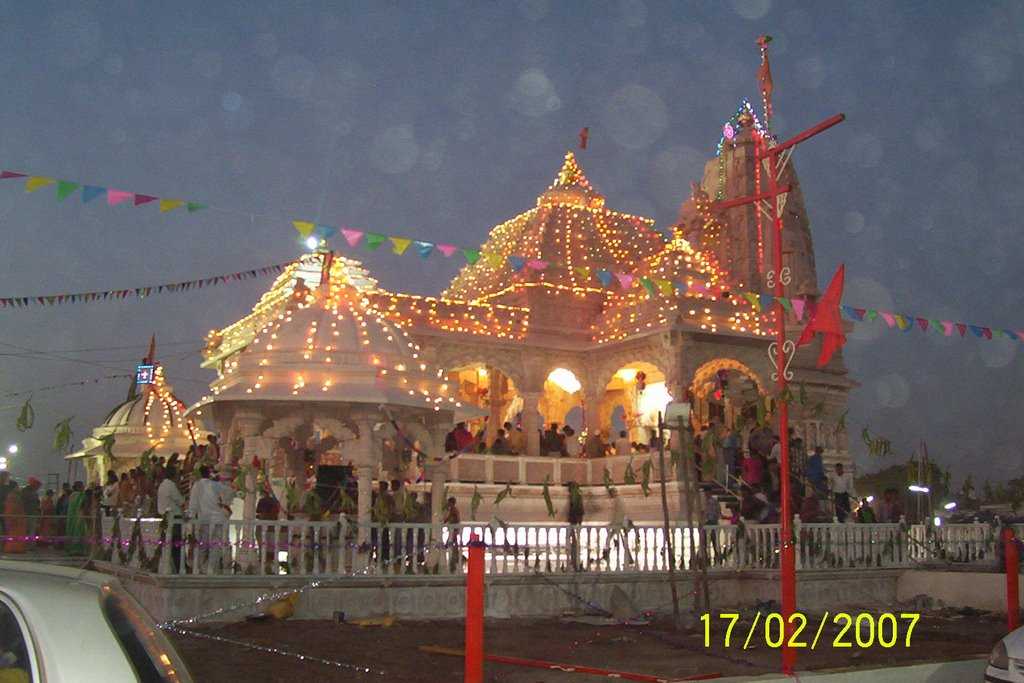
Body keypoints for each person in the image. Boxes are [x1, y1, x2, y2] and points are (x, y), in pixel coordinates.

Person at [188, 465, 233, 573]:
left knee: (203, 545)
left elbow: (193, 504)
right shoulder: (215, 484)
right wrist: (223, 503)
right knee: (215, 545)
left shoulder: (197, 485)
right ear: (209, 473)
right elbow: (230, 492)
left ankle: (200, 567)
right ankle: (211, 568)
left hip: (204, 519)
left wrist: (191, 516)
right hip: (217, 519)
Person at [157, 466, 185, 573]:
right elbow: (180, 500)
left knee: (169, 543)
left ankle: (172, 566)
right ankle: (178, 567)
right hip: (174, 517)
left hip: (165, 516)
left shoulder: (162, 485)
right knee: (176, 544)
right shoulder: (171, 485)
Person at [64, 482, 88, 555]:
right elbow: (83, 506)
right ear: (78, 487)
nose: (83, 488)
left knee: (71, 531)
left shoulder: (72, 495)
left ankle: (70, 548)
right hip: (79, 516)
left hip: (71, 517)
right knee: (79, 532)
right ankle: (78, 550)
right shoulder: (81, 495)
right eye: (82, 486)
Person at [3, 480, 25, 554]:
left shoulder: (14, 496)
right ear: (13, 487)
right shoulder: (13, 496)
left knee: (15, 534)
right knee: (14, 534)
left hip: (17, 518)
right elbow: (11, 508)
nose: (18, 488)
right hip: (15, 519)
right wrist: (12, 517)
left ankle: (16, 548)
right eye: (17, 486)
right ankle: (14, 548)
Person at [566, 481, 584, 571]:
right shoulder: (577, 495)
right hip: (575, 522)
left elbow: (577, 509)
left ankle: (575, 563)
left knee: (574, 543)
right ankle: (575, 563)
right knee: (574, 543)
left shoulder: (575, 495)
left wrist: (576, 521)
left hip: (574, 522)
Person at [20, 479, 41, 545]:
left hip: (27, 514)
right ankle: (30, 544)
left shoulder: (24, 491)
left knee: (27, 530)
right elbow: (36, 503)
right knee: (30, 530)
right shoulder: (32, 493)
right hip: (29, 514)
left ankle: (25, 544)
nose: (38, 488)